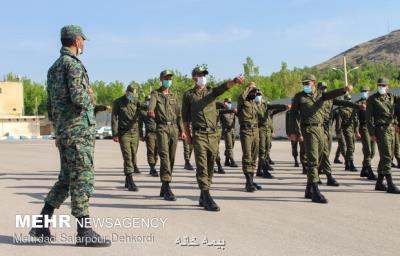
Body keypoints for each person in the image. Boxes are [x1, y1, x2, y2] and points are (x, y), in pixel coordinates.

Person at [29, 25, 110, 247]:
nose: (83, 44)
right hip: (77, 132)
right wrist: (90, 97)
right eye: (82, 40)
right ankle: (84, 231)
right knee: (83, 178)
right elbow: (78, 97)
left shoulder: (53, 68)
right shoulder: (72, 65)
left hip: (65, 132)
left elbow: (50, 106)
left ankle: (40, 225)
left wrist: (59, 129)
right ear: (76, 40)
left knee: (65, 179)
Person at [182, 64, 244, 211]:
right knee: (202, 166)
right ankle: (207, 196)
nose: (203, 78)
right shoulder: (188, 95)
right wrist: (187, 135)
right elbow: (185, 118)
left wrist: (235, 81)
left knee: (210, 166)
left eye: (205, 75)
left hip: (213, 135)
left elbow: (223, 87)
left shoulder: (211, 92)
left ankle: (203, 195)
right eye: (200, 75)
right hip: (199, 135)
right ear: (194, 77)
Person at [290, 74, 353, 204]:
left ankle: (308, 189)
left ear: (314, 82)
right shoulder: (299, 97)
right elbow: (293, 115)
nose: (305, 85)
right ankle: (315, 191)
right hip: (308, 130)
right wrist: (294, 132)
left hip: (320, 129)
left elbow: (331, 95)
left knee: (318, 159)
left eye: (307, 83)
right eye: (304, 83)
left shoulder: (321, 95)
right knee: (313, 160)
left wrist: (343, 89)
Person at [148, 70, 185, 201]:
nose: (168, 80)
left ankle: (164, 186)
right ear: (161, 79)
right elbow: (151, 107)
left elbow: (179, 115)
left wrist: (182, 130)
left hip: (174, 128)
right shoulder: (155, 94)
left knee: (172, 157)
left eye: (170, 78)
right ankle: (167, 186)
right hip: (162, 127)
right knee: (164, 156)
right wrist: (151, 111)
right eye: (166, 78)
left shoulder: (174, 95)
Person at [366, 78, 400, 194]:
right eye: (379, 85)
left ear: (388, 86)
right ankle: (390, 184)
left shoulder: (392, 97)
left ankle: (379, 183)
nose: (381, 87)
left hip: (391, 128)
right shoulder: (372, 99)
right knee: (386, 157)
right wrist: (371, 133)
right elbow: (369, 118)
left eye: (383, 85)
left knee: (388, 156)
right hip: (380, 129)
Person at [112, 85, 143, 192]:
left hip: (135, 133)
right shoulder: (118, 102)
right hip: (124, 133)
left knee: (133, 155)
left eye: (134, 95)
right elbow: (114, 118)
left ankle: (127, 179)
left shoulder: (136, 102)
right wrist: (115, 133)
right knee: (127, 156)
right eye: (130, 94)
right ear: (126, 92)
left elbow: (144, 111)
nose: (132, 96)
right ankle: (130, 181)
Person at [237, 82, 264, 191]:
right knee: (247, 156)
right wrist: (249, 87)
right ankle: (248, 182)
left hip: (255, 130)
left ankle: (251, 181)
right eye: (252, 90)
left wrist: (259, 102)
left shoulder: (254, 103)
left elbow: (262, 115)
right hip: (246, 130)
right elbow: (241, 96)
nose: (254, 92)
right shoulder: (242, 101)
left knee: (254, 156)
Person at [257, 97, 288, 177]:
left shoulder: (269, 110)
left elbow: (277, 109)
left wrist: (285, 107)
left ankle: (261, 168)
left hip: (268, 130)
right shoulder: (255, 107)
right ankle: (263, 169)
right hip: (260, 129)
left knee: (267, 148)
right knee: (262, 150)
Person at [356, 86, 376, 180]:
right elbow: (355, 118)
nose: (364, 92)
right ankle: (369, 171)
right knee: (367, 150)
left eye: (366, 91)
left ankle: (364, 169)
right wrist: (356, 131)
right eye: (363, 91)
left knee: (372, 152)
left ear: (369, 92)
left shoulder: (372, 102)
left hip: (372, 128)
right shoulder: (358, 103)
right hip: (363, 127)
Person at [339, 93, 360, 172]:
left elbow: (355, 121)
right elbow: (339, 123)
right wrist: (339, 132)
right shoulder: (342, 110)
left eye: (349, 99)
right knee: (350, 146)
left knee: (352, 147)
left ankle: (347, 163)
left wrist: (357, 132)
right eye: (347, 100)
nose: (348, 101)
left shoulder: (353, 109)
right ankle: (351, 164)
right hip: (346, 129)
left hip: (352, 129)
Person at [140, 96, 159, 177]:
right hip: (150, 134)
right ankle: (152, 167)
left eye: (150, 100)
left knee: (157, 152)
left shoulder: (158, 110)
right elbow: (140, 124)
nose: (149, 102)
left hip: (159, 133)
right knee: (151, 151)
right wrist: (141, 135)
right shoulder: (143, 112)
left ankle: (154, 165)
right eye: (147, 100)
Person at [220, 98, 239, 167]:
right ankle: (232, 161)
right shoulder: (221, 110)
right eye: (228, 102)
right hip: (226, 131)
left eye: (230, 102)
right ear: (224, 102)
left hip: (232, 130)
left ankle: (227, 161)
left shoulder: (233, 111)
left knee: (231, 145)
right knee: (229, 146)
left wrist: (237, 112)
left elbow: (239, 115)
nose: (229, 103)